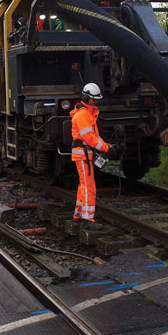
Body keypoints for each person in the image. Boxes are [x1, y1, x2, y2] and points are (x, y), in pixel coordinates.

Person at [70, 83, 117, 229]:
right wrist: (105, 148)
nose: (96, 102)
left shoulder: (87, 113)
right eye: (94, 99)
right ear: (86, 98)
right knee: (88, 186)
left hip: (85, 154)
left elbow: (94, 136)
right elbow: (88, 137)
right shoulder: (83, 115)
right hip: (83, 155)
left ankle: (78, 214)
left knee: (83, 185)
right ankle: (87, 219)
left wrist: (107, 146)